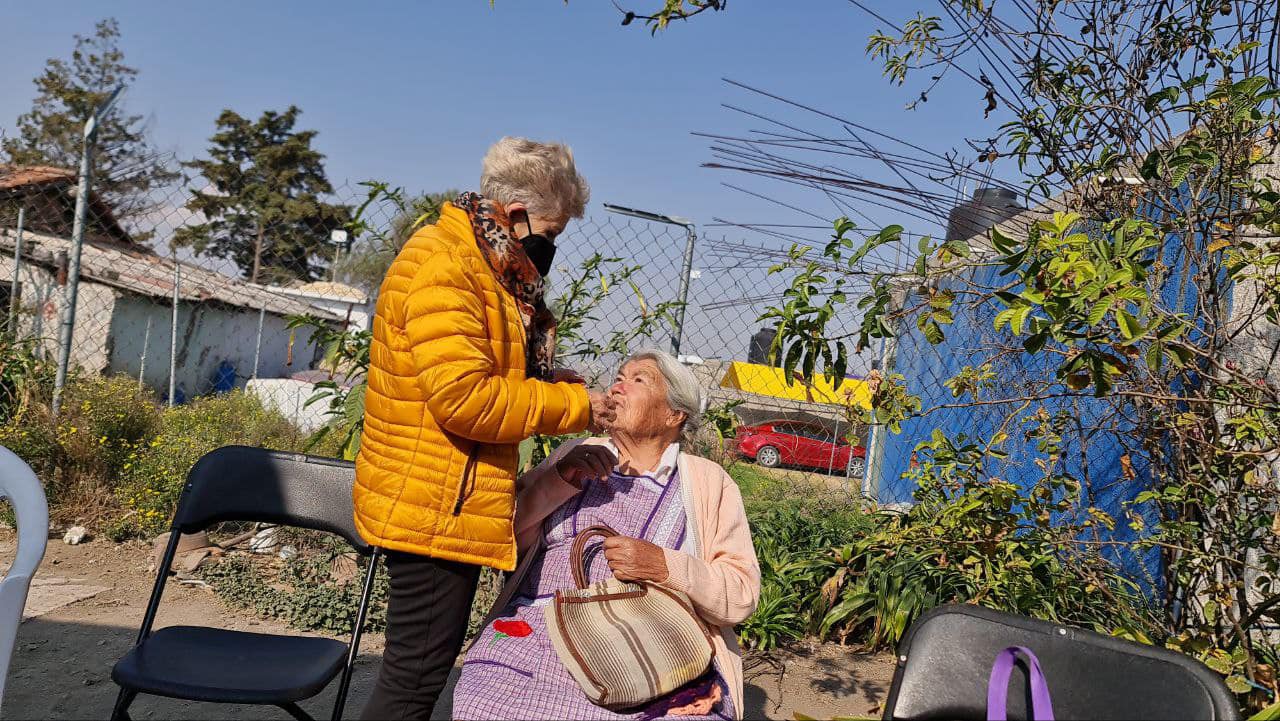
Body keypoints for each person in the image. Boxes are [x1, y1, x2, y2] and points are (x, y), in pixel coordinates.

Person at [354, 137, 614, 720]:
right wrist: (577, 407)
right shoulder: (448, 267)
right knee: (413, 680)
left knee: (417, 670)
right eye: (549, 233)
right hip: (433, 501)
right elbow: (465, 400)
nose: (549, 249)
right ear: (516, 215)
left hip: (446, 493)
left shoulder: (481, 262)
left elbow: (479, 365)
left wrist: (549, 381)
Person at [451, 349, 761, 721]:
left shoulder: (706, 481)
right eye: (619, 375)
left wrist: (663, 565)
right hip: (542, 629)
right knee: (485, 705)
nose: (617, 386)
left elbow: (741, 594)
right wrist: (558, 480)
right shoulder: (574, 453)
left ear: (673, 414)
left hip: (651, 649)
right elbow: (505, 537)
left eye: (638, 380)